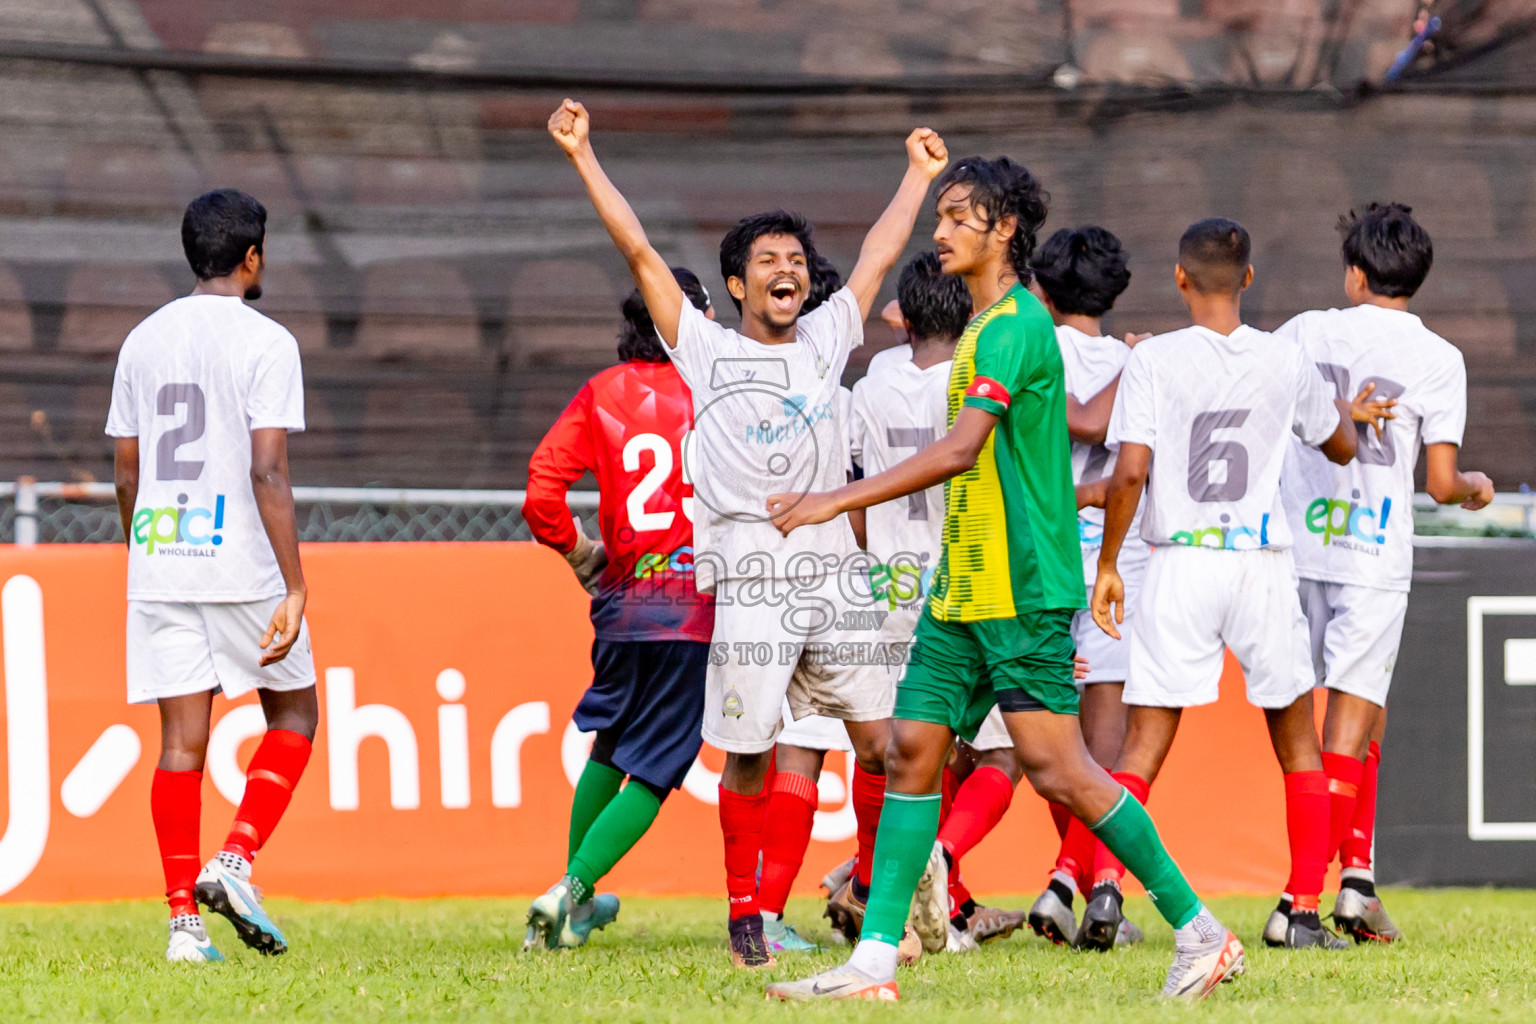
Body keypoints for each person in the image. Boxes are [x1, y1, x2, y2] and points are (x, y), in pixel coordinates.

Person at [764, 158, 1245, 1002]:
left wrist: (828, 500)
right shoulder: (988, 327)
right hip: (963, 588)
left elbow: (959, 453)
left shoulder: (1017, 327)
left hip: (1019, 590)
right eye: (940, 215)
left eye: (958, 217)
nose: (940, 230)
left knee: (1061, 771)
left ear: (1004, 230)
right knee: (912, 750)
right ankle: (876, 961)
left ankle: (1201, 932)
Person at [547, 97, 949, 969]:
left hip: (835, 575)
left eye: (796, 261)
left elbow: (878, 255)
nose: (786, 270)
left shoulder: (827, 337)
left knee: (882, 742)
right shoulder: (704, 348)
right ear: (736, 285)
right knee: (752, 755)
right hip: (754, 579)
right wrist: (583, 156)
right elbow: (639, 248)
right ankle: (744, 919)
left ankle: (886, 910)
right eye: (767, 260)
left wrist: (916, 176)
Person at [1089, 217, 1391, 953]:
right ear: (1248, 280)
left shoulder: (1153, 359)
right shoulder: (1283, 359)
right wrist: (1336, 413)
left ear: (1180, 280)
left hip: (1178, 559)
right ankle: (1301, 909)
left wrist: (1106, 565)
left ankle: (1103, 893)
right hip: (1259, 562)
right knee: (1296, 745)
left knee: (1142, 748)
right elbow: (1343, 447)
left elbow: (1129, 472)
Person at [1267, 202, 1492, 945]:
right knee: (1349, 728)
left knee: (1324, 729)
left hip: (1294, 551)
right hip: (1372, 557)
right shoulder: (1440, 357)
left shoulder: (1304, 331)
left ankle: (1356, 881)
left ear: (1356, 273)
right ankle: (1299, 903)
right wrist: (1476, 487)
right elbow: (1439, 480)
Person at [107, 189, 315, 963]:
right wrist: (293, 585)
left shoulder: (141, 339)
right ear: (252, 256)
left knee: (180, 744)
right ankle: (234, 860)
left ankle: (182, 929)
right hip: (240, 562)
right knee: (295, 714)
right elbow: (267, 467)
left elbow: (126, 471)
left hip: (161, 554)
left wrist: (143, 549)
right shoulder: (268, 341)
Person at [520, 268, 717, 951]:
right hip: (696, 611)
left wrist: (583, 556)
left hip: (624, 604)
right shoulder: (720, 390)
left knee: (611, 745)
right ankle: (567, 892)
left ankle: (574, 909)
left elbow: (542, 493)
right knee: (660, 767)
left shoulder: (602, 392)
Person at [1021, 225, 1152, 949]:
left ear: (1042, 283)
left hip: (1040, 564)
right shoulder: (1136, 363)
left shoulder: (1027, 343)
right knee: (1103, 748)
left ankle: (1071, 881)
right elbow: (1094, 426)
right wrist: (1134, 365)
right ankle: (1094, 884)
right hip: (1111, 567)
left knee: (1053, 747)